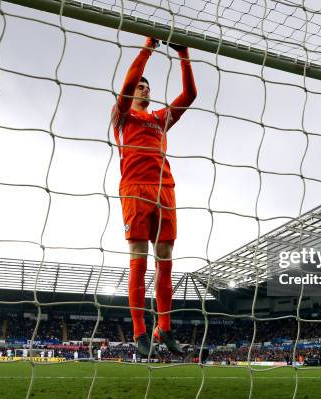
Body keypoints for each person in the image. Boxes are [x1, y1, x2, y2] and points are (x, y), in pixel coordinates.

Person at [111, 36, 197, 357]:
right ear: (130, 94)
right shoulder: (122, 116)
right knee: (139, 260)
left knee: (166, 263)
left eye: (148, 86)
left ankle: (166, 328)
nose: (145, 88)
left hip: (165, 190)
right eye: (141, 86)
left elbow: (190, 94)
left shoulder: (161, 119)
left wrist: (183, 53)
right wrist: (148, 48)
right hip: (134, 189)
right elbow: (132, 77)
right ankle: (139, 332)